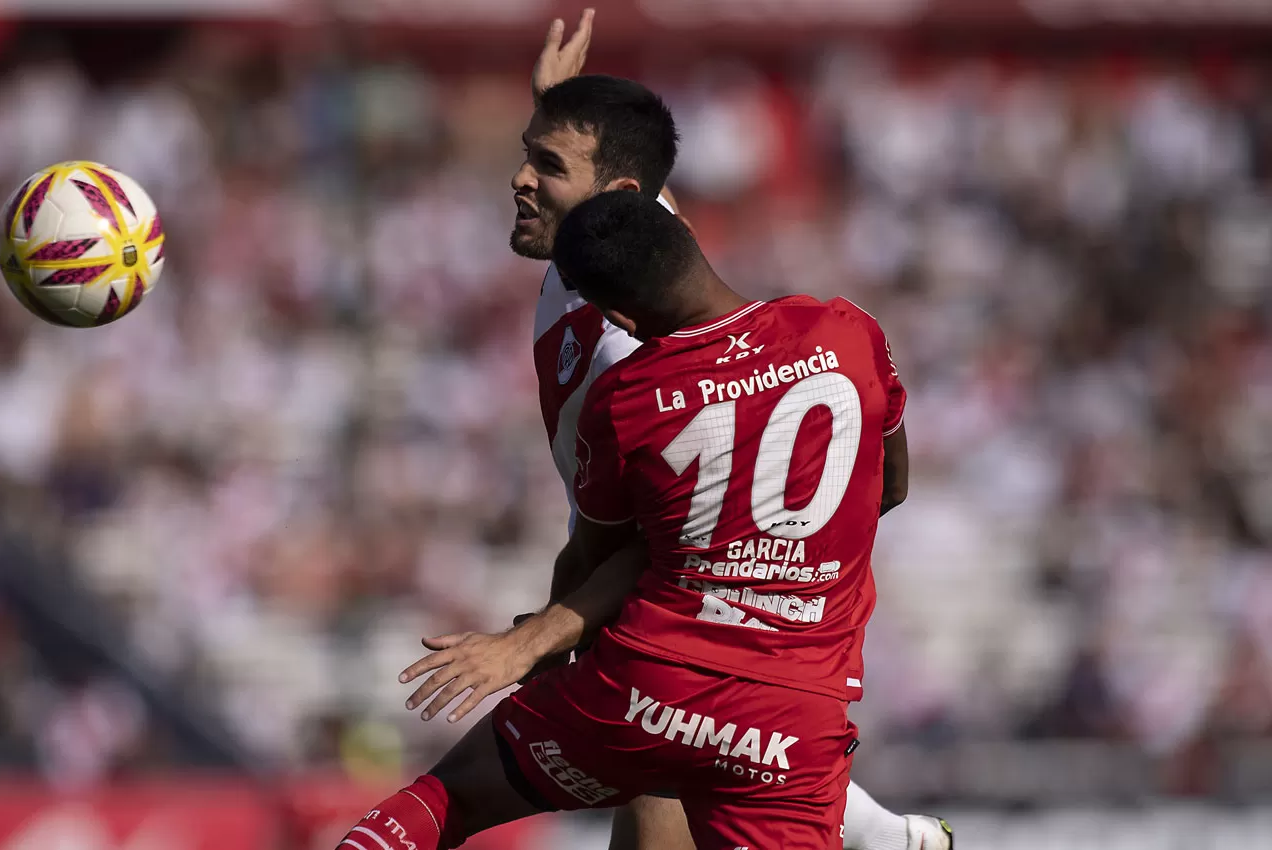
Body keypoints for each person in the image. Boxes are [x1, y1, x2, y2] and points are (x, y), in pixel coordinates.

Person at [330, 190, 944, 850]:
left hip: (648, 690)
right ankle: (889, 836)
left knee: (449, 797)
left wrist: (532, 642)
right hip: (791, 719)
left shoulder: (627, 398)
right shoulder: (847, 329)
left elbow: (606, 558)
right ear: (692, 242)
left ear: (617, 314)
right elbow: (891, 486)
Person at [504, 12, 953, 850]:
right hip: (682, 628)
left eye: (547, 165)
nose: (522, 179)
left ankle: (881, 835)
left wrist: (555, 627)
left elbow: (633, 556)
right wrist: (562, 106)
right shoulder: (614, 247)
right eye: (528, 157)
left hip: (676, 611)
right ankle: (884, 835)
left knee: (658, 775)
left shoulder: (630, 358)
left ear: (614, 203)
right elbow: (633, 176)